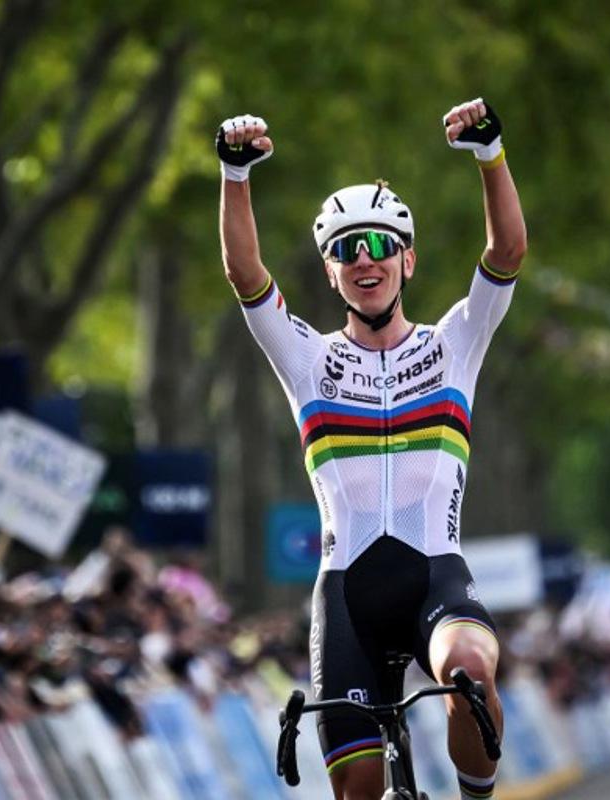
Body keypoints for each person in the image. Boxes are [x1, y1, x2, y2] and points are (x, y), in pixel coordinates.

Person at [216, 98, 527, 800]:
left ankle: (476, 797)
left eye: (382, 244)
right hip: (348, 596)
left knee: (471, 672)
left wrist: (490, 155)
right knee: (358, 789)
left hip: (434, 582)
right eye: (346, 249)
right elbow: (244, 274)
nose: (366, 259)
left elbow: (506, 254)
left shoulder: (455, 344)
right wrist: (234, 175)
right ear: (329, 273)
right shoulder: (307, 361)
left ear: (408, 260)